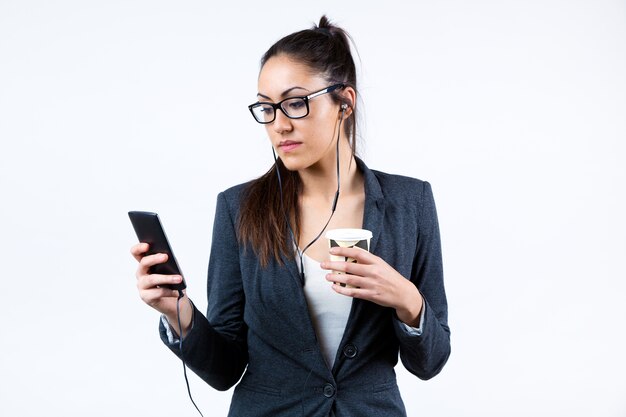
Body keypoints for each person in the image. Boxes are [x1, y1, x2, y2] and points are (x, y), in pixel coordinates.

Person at [131, 16, 450, 417]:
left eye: (296, 103)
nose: (279, 125)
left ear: (344, 103)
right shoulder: (239, 208)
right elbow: (224, 368)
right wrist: (176, 312)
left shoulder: (411, 201)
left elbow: (431, 362)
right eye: (267, 108)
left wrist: (407, 299)